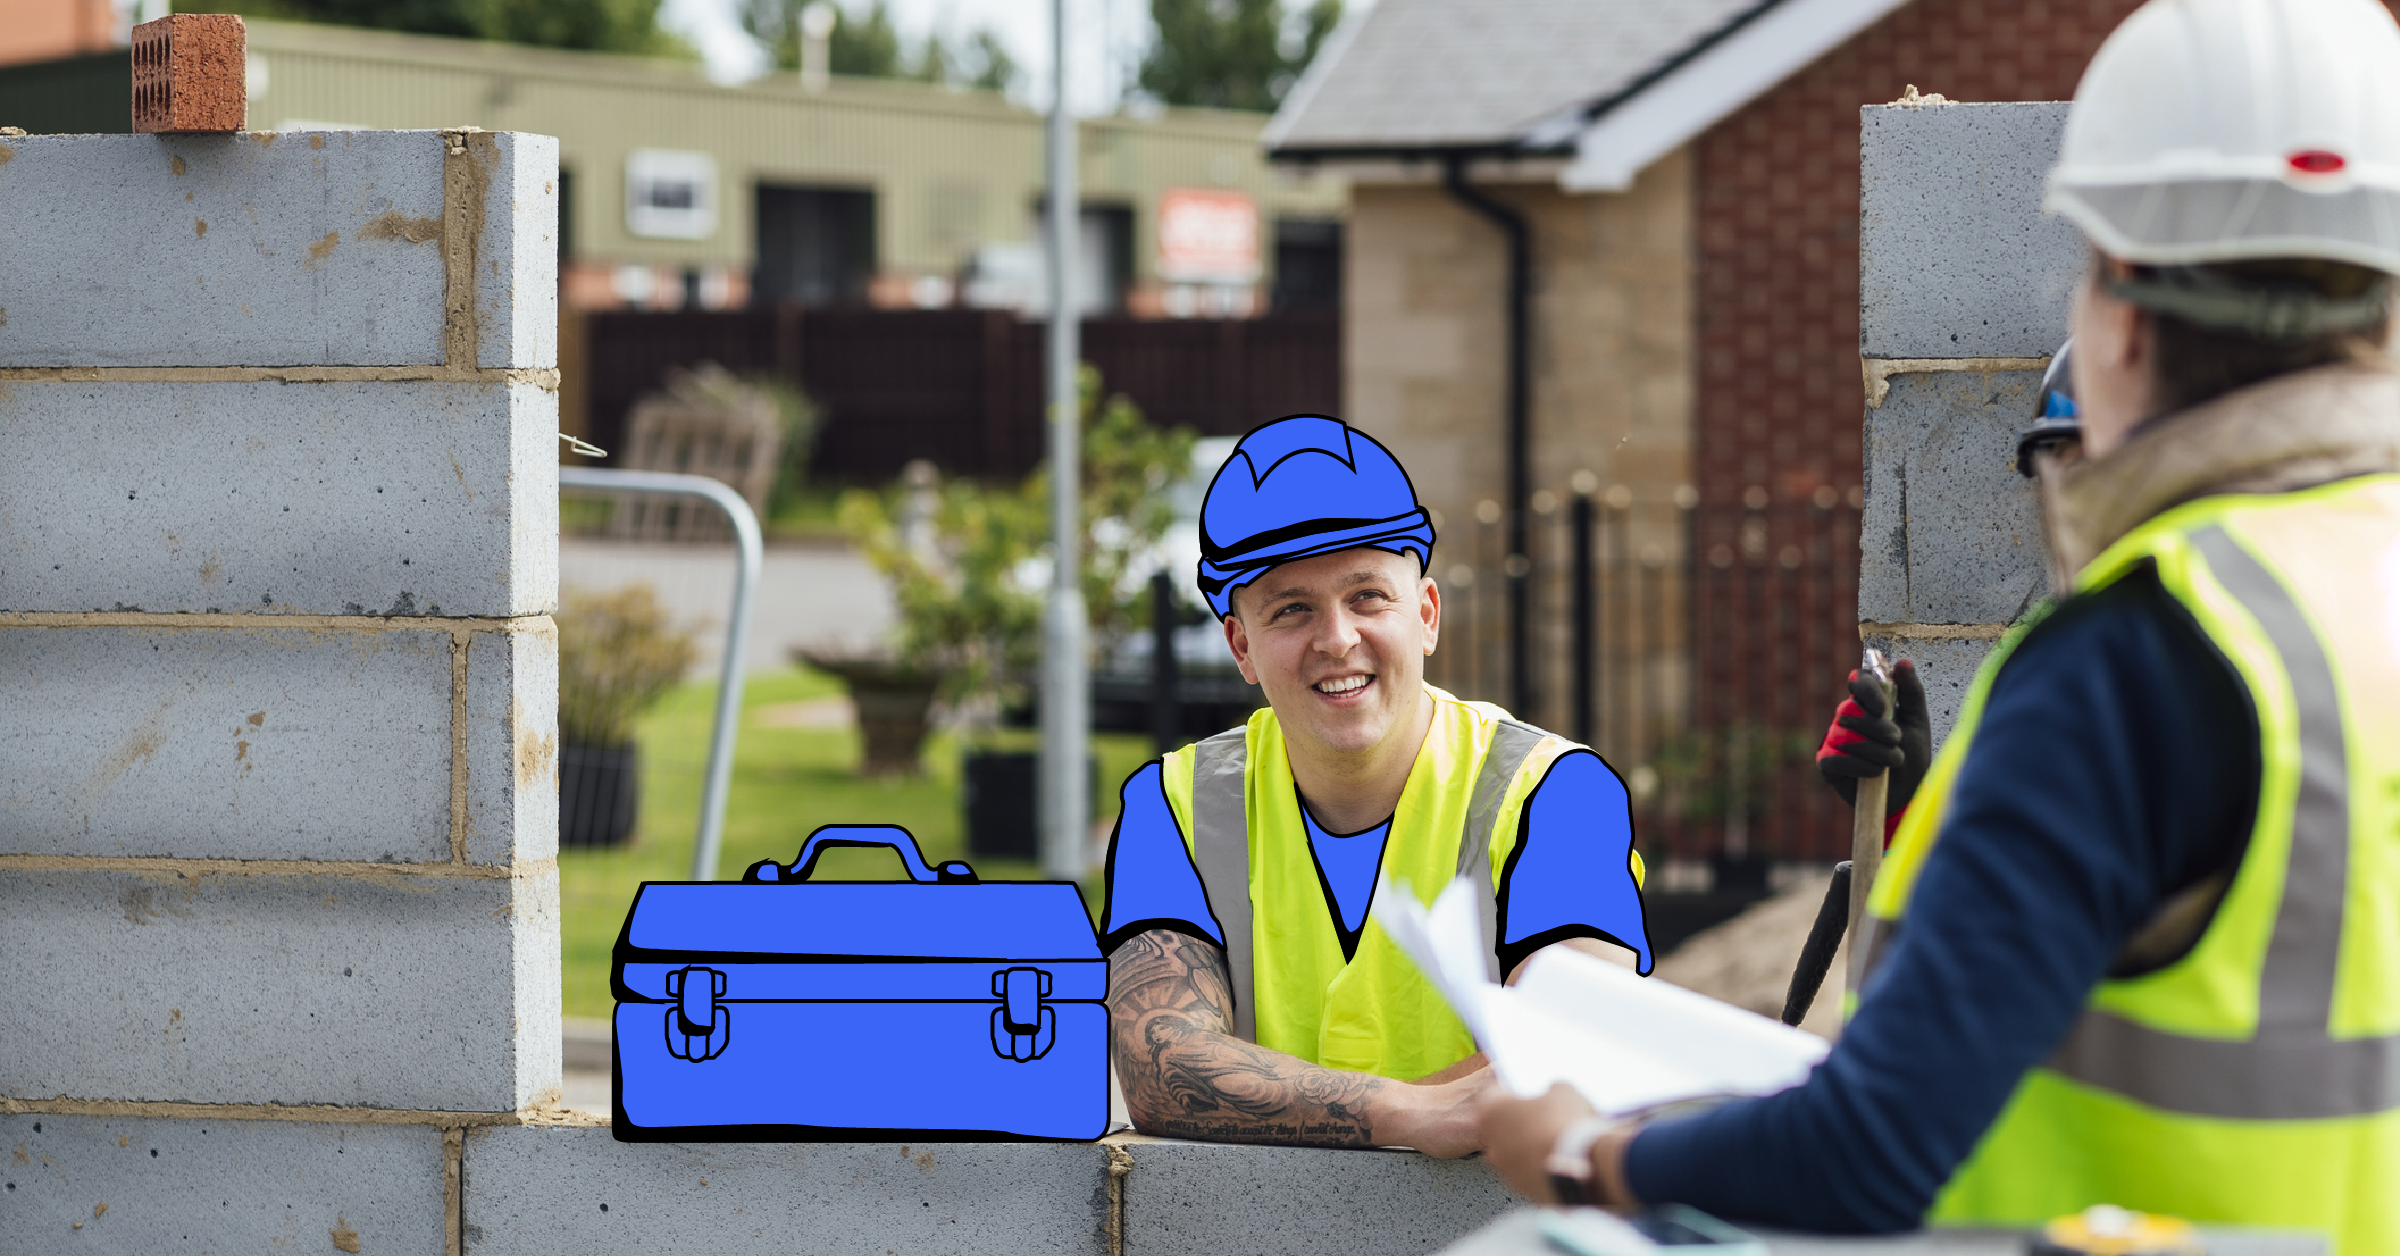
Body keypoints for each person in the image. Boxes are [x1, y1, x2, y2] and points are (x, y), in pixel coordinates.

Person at [1477, 0, 2400, 1247]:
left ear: (2121, 317)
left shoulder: (2146, 652)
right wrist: (1932, 800)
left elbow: (1873, 1151)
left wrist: (1590, 1153)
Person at [1101, 414, 1653, 1155]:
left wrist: (1297, 1110)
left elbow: (1571, 1056)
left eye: (1368, 596)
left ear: (1425, 614)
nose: (1337, 638)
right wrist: (1404, 1116)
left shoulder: (1554, 794)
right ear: (1241, 645)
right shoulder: (1173, 803)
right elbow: (1159, 1067)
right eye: (1292, 609)